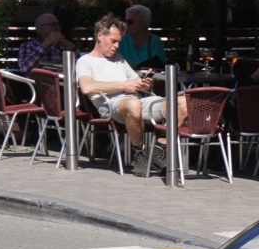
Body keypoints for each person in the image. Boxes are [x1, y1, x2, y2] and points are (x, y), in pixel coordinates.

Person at [76, 14, 186, 177]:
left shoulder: (118, 59)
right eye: (113, 41)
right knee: (133, 103)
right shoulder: (85, 61)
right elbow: (86, 87)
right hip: (110, 105)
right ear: (100, 36)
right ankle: (139, 153)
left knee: (183, 102)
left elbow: (135, 80)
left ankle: (159, 148)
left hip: (138, 101)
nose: (117, 46)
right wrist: (124, 85)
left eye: (119, 41)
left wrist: (144, 84)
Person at [116, 5, 166, 70]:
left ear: (142, 23)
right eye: (126, 22)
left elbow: (159, 68)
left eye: (130, 22)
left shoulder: (155, 42)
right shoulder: (122, 41)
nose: (126, 25)